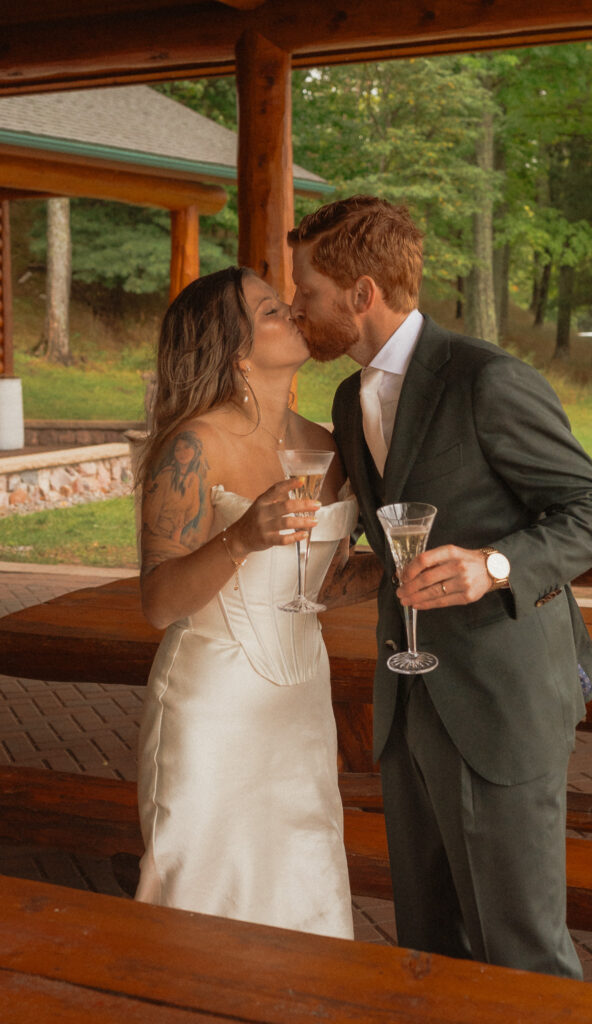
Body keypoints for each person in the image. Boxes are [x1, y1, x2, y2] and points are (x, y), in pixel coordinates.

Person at [287, 195, 592, 976]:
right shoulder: (348, 399)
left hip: (501, 702)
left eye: (308, 291)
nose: (299, 306)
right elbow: (393, 546)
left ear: (363, 293)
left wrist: (493, 565)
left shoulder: (488, 380)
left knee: (523, 951)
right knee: (428, 946)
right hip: (408, 707)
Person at [134, 266, 379, 938]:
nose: (293, 312)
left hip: (300, 701)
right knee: (204, 892)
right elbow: (158, 603)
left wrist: (403, 572)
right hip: (213, 706)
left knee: (303, 884)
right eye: (272, 310)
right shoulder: (194, 446)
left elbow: (322, 587)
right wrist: (240, 538)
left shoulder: (328, 445)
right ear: (235, 347)